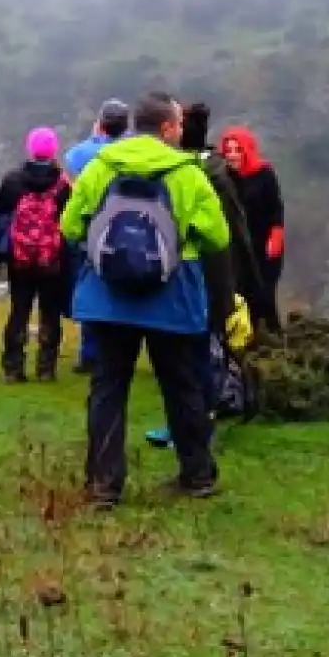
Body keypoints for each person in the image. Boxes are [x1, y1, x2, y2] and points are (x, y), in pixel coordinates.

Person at [61, 92, 229, 506]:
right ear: (168, 128)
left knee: (108, 388)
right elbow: (218, 236)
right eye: (179, 123)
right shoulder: (187, 173)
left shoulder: (102, 166)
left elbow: (70, 226)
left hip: (108, 297)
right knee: (181, 385)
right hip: (172, 297)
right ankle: (197, 475)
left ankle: (104, 485)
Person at [145, 101, 262, 447]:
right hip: (212, 275)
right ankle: (195, 424)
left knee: (194, 356)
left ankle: (197, 426)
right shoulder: (215, 172)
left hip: (192, 275)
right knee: (200, 353)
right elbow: (237, 233)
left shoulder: (189, 173)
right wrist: (246, 279)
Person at [0, 127, 72, 383]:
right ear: (53, 150)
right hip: (51, 258)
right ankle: (46, 369)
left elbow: (0, 212)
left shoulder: (13, 180)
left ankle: (13, 368)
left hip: (20, 257)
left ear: (30, 149)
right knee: (50, 311)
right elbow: (70, 220)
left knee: (19, 310)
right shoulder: (63, 184)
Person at [64, 98, 131, 372]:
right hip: (126, 232)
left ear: (100, 123)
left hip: (91, 235)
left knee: (93, 294)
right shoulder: (134, 151)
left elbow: (70, 172)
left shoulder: (81, 154)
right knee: (124, 293)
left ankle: (89, 353)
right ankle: (120, 353)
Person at [219, 126, 285, 332]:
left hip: (265, 245)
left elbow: (276, 208)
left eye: (237, 150)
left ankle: (274, 337)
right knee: (243, 295)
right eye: (228, 150)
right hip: (239, 248)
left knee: (265, 295)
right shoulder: (224, 178)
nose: (232, 155)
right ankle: (248, 339)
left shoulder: (264, 174)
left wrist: (276, 235)